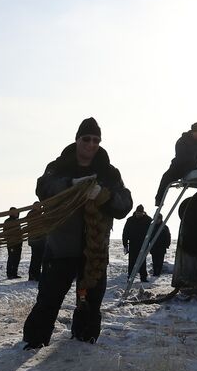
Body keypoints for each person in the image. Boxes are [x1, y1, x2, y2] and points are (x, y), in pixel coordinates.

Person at [21, 118, 133, 347]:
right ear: (77, 139)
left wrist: (105, 195)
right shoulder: (59, 166)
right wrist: (71, 185)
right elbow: (43, 187)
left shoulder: (109, 173)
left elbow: (125, 203)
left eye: (96, 140)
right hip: (61, 247)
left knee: (91, 302)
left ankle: (84, 342)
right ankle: (33, 342)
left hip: (94, 252)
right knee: (48, 299)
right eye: (86, 139)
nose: (91, 144)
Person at [156, 122, 197, 205]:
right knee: (166, 177)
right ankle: (159, 199)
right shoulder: (183, 141)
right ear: (193, 132)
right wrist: (195, 159)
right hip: (181, 166)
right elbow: (181, 157)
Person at [122, 204, 152, 282]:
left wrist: (151, 244)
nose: (138, 214)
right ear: (135, 212)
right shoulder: (130, 220)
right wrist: (125, 244)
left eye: (140, 213)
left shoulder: (148, 220)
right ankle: (130, 277)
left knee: (142, 260)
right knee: (132, 261)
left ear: (143, 213)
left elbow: (152, 232)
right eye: (137, 213)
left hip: (144, 243)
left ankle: (143, 277)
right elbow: (125, 232)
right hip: (133, 243)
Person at [25, 202, 45, 281]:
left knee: (37, 258)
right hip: (36, 240)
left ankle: (34, 274)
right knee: (36, 258)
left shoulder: (35, 214)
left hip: (38, 240)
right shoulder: (34, 214)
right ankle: (35, 275)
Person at [3, 207, 23, 278]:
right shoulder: (8, 221)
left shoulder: (17, 221)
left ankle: (14, 273)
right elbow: (5, 232)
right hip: (11, 243)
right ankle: (9, 274)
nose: (16, 213)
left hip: (18, 242)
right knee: (12, 257)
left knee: (17, 258)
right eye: (15, 212)